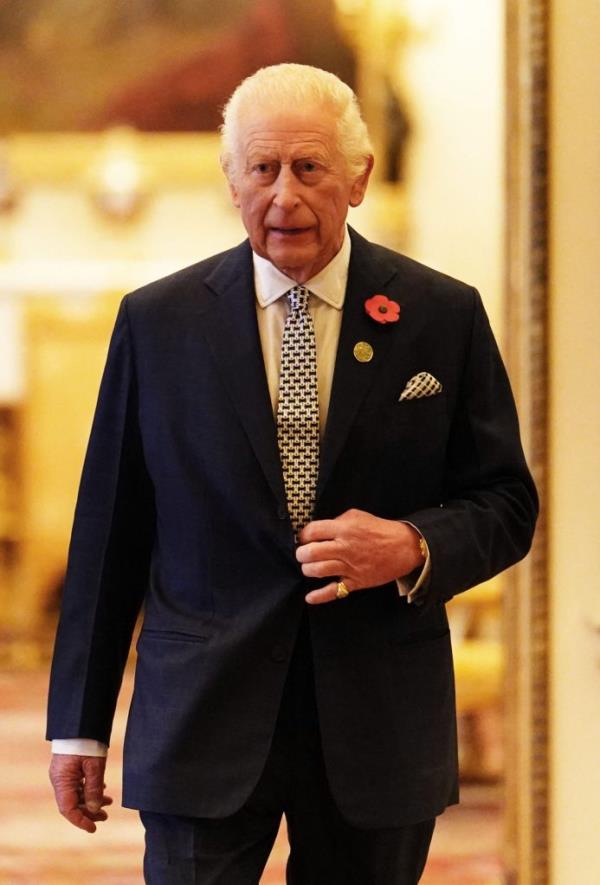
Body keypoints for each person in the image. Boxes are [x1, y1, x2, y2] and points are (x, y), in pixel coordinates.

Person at [47, 63, 538, 884]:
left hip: (379, 723)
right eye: (263, 168)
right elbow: (110, 535)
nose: (284, 196)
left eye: (309, 168)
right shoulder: (159, 323)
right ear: (231, 181)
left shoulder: (441, 315)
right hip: (202, 717)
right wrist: (79, 727)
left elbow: (507, 501)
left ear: (358, 179)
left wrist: (411, 544)